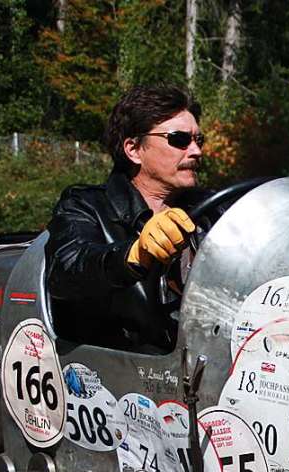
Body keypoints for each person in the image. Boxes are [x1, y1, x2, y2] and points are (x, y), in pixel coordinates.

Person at [45, 84, 207, 350]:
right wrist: (134, 256)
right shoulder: (87, 205)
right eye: (179, 140)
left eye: (198, 140)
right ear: (133, 149)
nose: (196, 151)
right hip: (122, 373)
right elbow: (66, 273)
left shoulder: (214, 210)